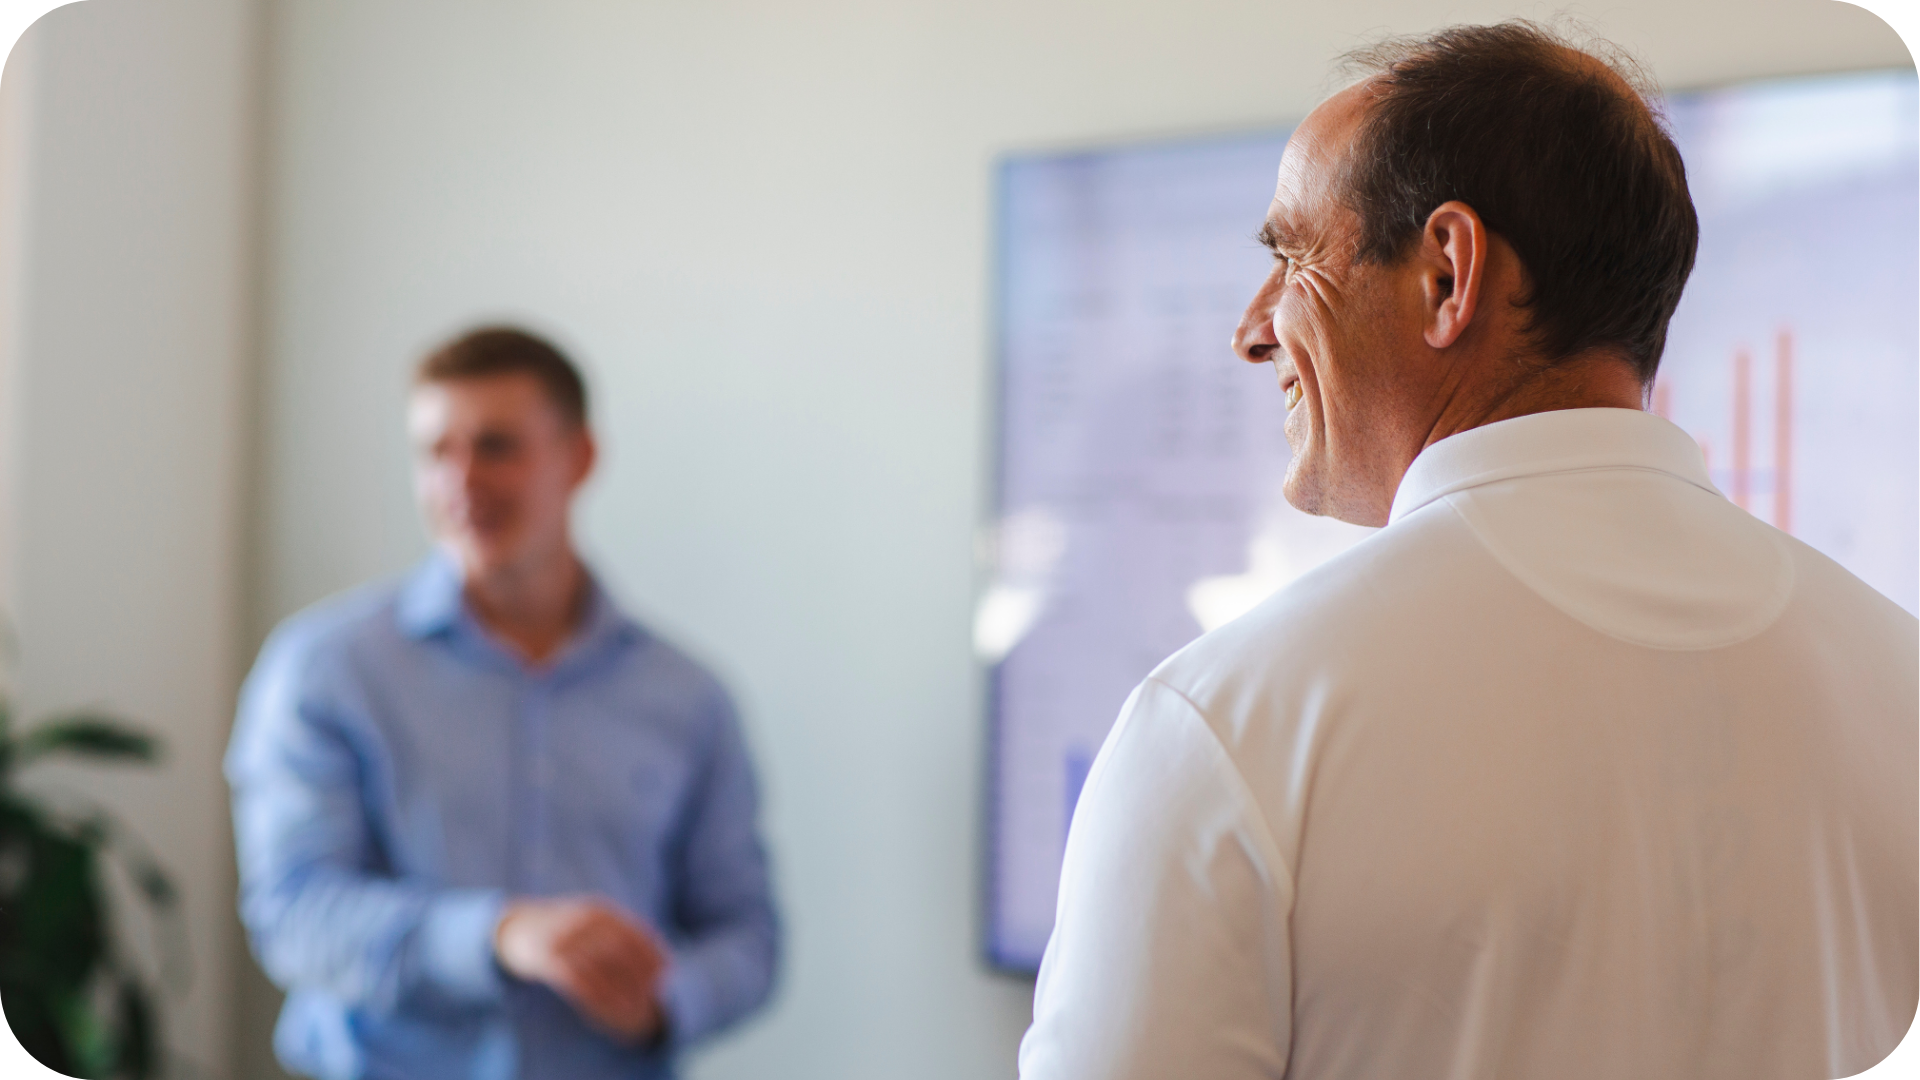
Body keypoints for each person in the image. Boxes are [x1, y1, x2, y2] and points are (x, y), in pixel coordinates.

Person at [1019, 21, 1919, 1080]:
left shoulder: (1230, 725)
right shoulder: (1897, 679)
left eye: (1295, 256)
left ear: (1448, 274)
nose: (1252, 330)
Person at [227, 327, 778, 1080]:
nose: (460, 480)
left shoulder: (688, 699)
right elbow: (292, 914)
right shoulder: (326, 670)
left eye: (495, 446)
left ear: (580, 458)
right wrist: (498, 936)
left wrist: (665, 999)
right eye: (434, 451)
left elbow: (748, 936)